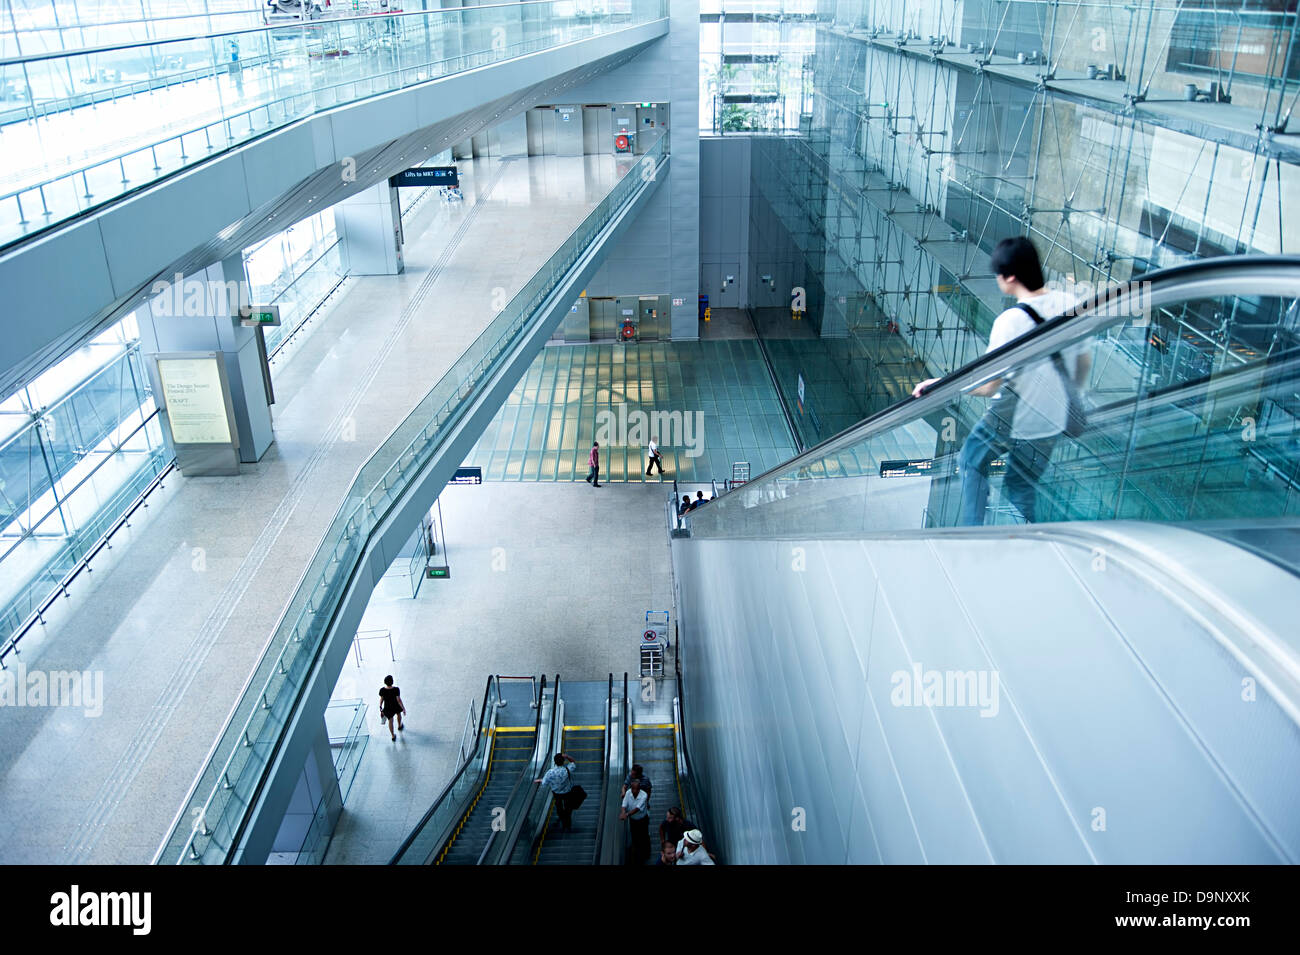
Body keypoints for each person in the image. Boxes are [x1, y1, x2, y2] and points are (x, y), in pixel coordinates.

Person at [912, 237, 1090, 526]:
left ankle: (974, 532)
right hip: (1051, 419)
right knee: (1020, 485)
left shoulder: (1010, 321)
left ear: (1010, 277)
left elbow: (988, 385)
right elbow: (1083, 362)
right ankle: (1033, 539)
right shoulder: (1069, 303)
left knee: (970, 461)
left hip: (1013, 414)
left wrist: (941, 383)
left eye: (998, 274)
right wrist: (1068, 394)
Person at [535, 753, 578, 832]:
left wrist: (540, 780)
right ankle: (567, 825)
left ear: (554, 762)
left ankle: (562, 819)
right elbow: (573, 762)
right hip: (567, 793)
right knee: (568, 808)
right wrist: (567, 756)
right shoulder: (567, 770)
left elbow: (544, 783)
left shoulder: (550, 772)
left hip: (557, 794)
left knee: (559, 808)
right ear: (563, 761)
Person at [619, 777, 651, 864]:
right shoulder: (628, 793)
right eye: (633, 788)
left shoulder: (644, 795)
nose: (634, 791)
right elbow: (624, 804)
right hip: (633, 821)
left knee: (644, 836)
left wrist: (626, 814)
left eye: (636, 789)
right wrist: (623, 812)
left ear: (639, 789)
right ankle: (636, 854)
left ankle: (646, 853)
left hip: (642, 820)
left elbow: (637, 808)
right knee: (635, 837)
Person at [378, 675, 405, 742]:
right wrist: (403, 708)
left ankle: (393, 735)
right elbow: (398, 700)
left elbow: (381, 700)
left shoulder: (382, 690)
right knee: (398, 714)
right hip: (395, 705)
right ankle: (399, 725)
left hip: (387, 707)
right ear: (392, 682)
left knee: (390, 721)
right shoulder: (396, 689)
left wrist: (381, 708)